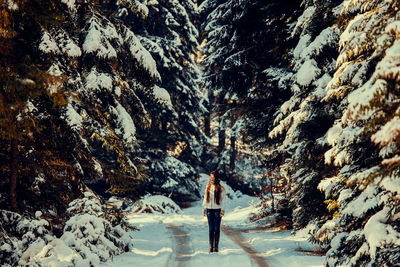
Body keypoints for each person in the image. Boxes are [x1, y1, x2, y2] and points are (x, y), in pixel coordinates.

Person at [202, 170, 227, 253]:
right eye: (210, 176)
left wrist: (222, 210)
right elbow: (205, 197)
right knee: (211, 229)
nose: (211, 178)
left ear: (216, 177)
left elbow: (224, 199)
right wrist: (204, 208)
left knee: (216, 229)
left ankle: (216, 247)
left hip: (217, 209)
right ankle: (211, 247)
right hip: (209, 209)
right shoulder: (208, 185)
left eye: (212, 177)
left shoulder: (221, 186)